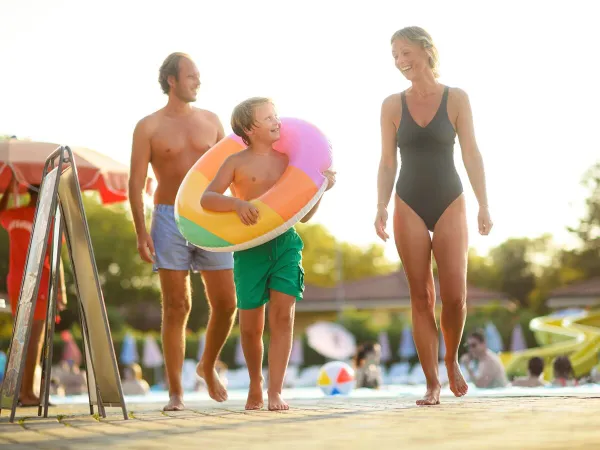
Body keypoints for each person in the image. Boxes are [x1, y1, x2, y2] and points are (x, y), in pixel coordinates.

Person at [374, 26, 493, 405]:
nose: (400, 61)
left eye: (405, 52)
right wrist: (380, 204)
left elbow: (471, 153)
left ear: (426, 51)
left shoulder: (456, 98)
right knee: (421, 296)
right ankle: (431, 383)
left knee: (455, 295)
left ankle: (451, 357)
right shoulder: (392, 105)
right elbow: (387, 160)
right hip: (407, 199)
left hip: (450, 197)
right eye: (395, 55)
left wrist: (484, 203)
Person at [201, 97, 335, 411]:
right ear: (249, 128)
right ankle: (255, 383)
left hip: (285, 244)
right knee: (250, 327)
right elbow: (208, 198)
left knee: (284, 316)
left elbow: (302, 216)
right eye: (269, 118)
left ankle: (275, 391)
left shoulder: (286, 160)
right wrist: (237, 204)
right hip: (249, 249)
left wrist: (321, 192)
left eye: (276, 115)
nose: (278, 121)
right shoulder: (235, 162)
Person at [128, 52, 237, 411]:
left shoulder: (212, 121)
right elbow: (135, 182)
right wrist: (141, 231)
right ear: (172, 80)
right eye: (191, 76)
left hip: (210, 217)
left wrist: (241, 214)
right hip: (167, 218)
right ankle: (176, 392)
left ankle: (207, 364)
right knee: (177, 305)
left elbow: (232, 170)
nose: (197, 81)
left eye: (198, 76)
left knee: (226, 303)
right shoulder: (148, 126)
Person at [0, 176, 66, 406]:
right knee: (34, 338)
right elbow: (55, 257)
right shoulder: (47, 219)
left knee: (20, 336)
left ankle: (15, 392)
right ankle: (27, 393)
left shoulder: (14, 214)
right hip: (39, 280)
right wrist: (61, 291)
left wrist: (9, 189)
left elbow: (0, 211)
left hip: (16, 280)